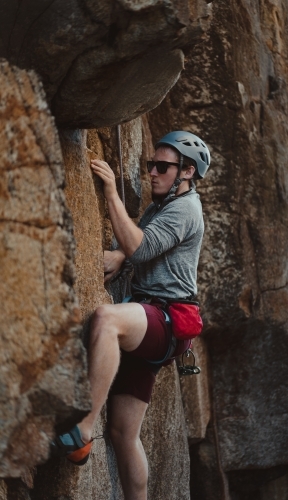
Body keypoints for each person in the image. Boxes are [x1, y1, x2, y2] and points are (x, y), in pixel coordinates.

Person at [51, 131, 210, 500]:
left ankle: (85, 429)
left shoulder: (186, 209)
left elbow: (141, 246)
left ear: (186, 172)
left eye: (162, 167)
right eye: (151, 164)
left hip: (165, 319)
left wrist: (109, 191)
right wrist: (122, 256)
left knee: (107, 319)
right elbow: (145, 243)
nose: (152, 172)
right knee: (124, 435)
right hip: (155, 323)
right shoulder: (163, 205)